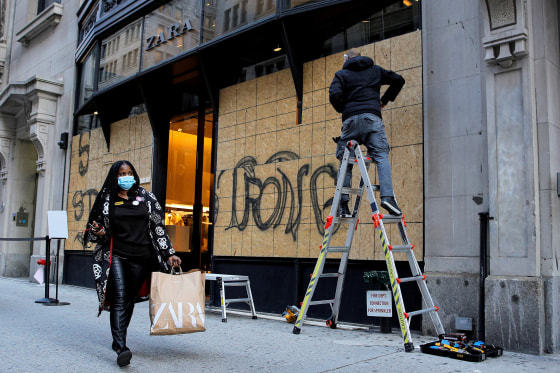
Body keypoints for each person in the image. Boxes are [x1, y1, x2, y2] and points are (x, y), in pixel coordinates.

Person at [83, 160, 181, 367]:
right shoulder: (106, 199)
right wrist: (98, 231)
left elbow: (158, 227)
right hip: (116, 254)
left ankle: (118, 339)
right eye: (121, 173)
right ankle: (121, 346)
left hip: (143, 257)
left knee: (128, 299)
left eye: (129, 173)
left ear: (134, 174)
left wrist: (169, 253)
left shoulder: (147, 197)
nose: (125, 177)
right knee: (119, 298)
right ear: (114, 176)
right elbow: (95, 228)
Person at [329, 48, 405, 217]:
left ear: (347, 59)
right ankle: (387, 198)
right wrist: (383, 101)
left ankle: (343, 207)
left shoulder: (341, 74)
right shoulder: (375, 71)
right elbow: (399, 80)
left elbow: (334, 94)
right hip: (372, 119)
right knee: (381, 156)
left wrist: (344, 109)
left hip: (350, 123)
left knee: (346, 161)